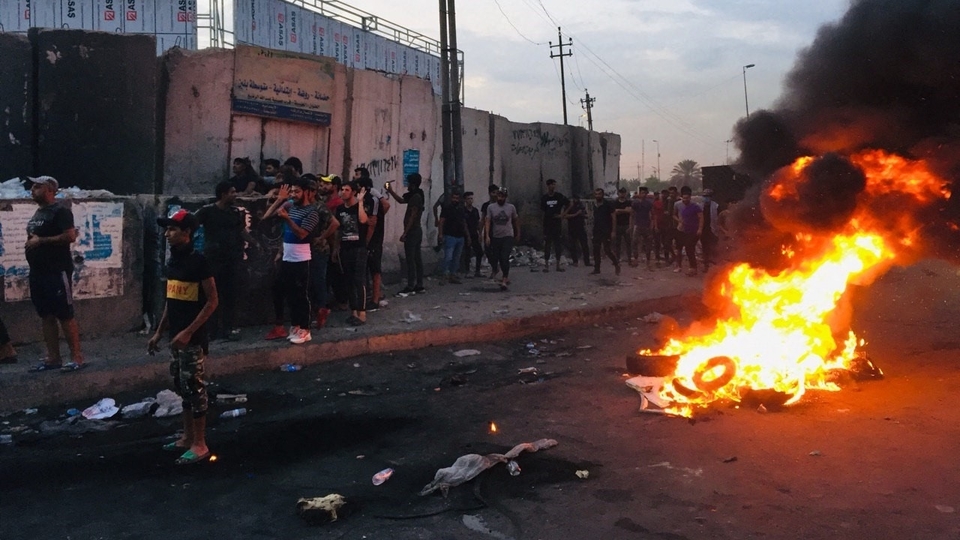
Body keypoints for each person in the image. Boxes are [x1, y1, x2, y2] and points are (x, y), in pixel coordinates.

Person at [148, 209, 218, 465]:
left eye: (173, 230)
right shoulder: (173, 262)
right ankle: (187, 437)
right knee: (183, 387)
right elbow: (172, 300)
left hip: (193, 339)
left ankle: (200, 444)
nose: (168, 234)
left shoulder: (199, 262)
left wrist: (188, 332)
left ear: (187, 233)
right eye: (167, 229)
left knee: (195, 389)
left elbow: (212, 302)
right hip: (177, 338)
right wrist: (159, 332)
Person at [24, 176, 86, 372]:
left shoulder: (61, 211)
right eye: (32, 186)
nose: (32, 189)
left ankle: (77, 358)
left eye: (37, 186)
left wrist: (41, 241)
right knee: (46, 315)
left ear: (50, 190)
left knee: (64, 314)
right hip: (38, 272)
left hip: (56, 271)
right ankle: (53, 358)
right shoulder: (39, 213)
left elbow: (69, 236)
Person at [195, 181, 256, 340]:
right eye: (232, 192)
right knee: (212, 296)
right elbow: (191, 226)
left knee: (230, 296)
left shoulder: (235, 212)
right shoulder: (207, 212)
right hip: (214, 260)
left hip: (232, 260)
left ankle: (227, 329)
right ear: (223, 194)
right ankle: (211, 330)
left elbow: (241, 231)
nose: (235, 195)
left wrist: (255, 243)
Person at [262, 179, 320, 344]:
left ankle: (305, 328)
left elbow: (302, 234)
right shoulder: (289, 205)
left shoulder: (312, 212)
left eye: (297, 192)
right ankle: (294, 325)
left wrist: (287, 219)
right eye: (292, 192)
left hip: (301, 258)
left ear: (307, 192)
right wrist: (280, 200)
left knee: (301, 295)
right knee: (282, 291)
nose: (294, 195)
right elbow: (267, 216)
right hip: (287, 257)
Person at [334, 181, 372, 325]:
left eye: (347, 190)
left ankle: (362, 313)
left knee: (359, 279)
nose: (343, 192)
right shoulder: (339, 209)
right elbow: (338, 229)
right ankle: (353, 311)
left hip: (359, 248)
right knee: (348, 280)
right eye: (342, 189)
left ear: (353, 192)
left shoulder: (360, 207)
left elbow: (363, 220)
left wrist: (360, 202)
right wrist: (336, 247)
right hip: (345, 247)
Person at [304, 177, 339, 329]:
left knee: (318, 281)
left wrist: (322, 237)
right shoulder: (302, 207)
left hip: (318, 249)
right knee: (308, 282)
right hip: (305, 248)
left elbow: (335, 224)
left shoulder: (319, 207)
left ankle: (321, 311)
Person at [354, 168, 390, 308]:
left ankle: (375, 298)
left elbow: (373, 222)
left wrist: (378, 218)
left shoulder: (372, 197)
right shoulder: (361, 200)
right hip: (366, 238)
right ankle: (370, 296)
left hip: (372, 240)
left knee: (374, 269)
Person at [385, 173, 426, 295]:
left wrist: (405, 232)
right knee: (416, 258)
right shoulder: (416, 195)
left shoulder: (415, 197)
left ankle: (411, 285)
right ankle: (419, 284)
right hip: (416, 231)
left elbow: (412, 216)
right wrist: (390, 191)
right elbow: (401, 200)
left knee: (411, 259)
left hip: (413, 231)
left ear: (412, 184)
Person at [484, 187, 520, 291]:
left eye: (502, 196)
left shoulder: (511, 207)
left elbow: (516, 220)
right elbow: (488, 221)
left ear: (505, 197)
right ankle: (501, 273)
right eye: (499, 196)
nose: (500, 198)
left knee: (504, 257)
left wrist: (518, 233)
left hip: (508, 235)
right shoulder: (491, 207)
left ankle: (504, 278)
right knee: (496, 257)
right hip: (496, 236)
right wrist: (487, 235)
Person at [438, 189, 469, 284]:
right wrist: (440, 234)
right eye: (454, 198)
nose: (455, 200)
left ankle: (453, 275)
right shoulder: (447, 208)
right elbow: (442, 221)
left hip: (460, 236)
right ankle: (445, 275)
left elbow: (464, 223)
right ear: (451, 198)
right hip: (450, 236)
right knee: (448, 257)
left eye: (457, 198)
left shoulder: (461, 209)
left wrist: (467, 236)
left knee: (456, 257)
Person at [540, 178, 570, 273]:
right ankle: (546, 266)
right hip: (548, 223)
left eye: (554, 184)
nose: (553, 186)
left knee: (557, 244)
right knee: (547, 244)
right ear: (548, 186)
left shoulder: (559, 196)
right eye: (551, 185)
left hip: (557, 223)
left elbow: (569, 204)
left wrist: (563, 214)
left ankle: (558, 265)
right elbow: (542, 210)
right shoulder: (544, 198)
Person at [673, 186, 703, 276]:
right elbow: (674, 215)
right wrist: (680, 221)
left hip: (693, 231)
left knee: (689, 248)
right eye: (683, 198)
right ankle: (688, 267)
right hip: (684, 231)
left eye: (687, 198)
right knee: (685, 249)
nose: (685, 199)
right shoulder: (680, 206)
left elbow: (701, 218)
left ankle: (693, 268)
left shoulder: (695, 207)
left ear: (690, 197)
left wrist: (700, 229)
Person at [590, 188, 620, 276]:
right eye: (596, 194)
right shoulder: (595, 205)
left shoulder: (608, 204)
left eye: (599, 194)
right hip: (597, 230)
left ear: (602, 195)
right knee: (596, 249)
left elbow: (614, 217)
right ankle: (597, 268)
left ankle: (616, 264)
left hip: (606, 230)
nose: (597, 196)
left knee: (607, 250)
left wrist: (613, 231)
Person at [480, 184, 501, 279]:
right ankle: (494, 267)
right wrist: (480, 232)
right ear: (489, 193)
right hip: (489, 231)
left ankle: (496, 270)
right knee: (488, 251)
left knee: (497, 251)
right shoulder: (486, 206)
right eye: (493, 193)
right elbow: (482, 219)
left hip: (500, 231)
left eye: (497, 192)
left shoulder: (501, 204)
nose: (495, 195)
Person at [630, 187, 655, 270]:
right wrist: (631, 226)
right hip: (637, 224)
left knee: (648, 243)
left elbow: (652, 215)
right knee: (634, 242)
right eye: (642, 193)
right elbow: (632, 215)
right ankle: (635, 259)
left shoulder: (649, 203)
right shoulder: (635, 203)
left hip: (646, 225)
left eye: (645, 193)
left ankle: (648, 261)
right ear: (639, 194)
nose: (643, 195)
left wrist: (652, 225)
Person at [565, 193, 591, 267]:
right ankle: (575, 261)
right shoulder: (569, 206)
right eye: (575, 199)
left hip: (581, 228)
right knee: (573, 246)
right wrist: (576, 214)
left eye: (577, 199)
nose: (576, 200)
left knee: (584, 245)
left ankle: (587, 262)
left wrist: (582, 214)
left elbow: (586, 215)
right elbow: (565, 215)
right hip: (572, 228)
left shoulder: (581, 206)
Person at [462, 191, 484, 277]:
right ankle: (467, 271)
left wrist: (480, 234)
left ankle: (477, 271)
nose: (470, 200)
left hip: (474, 233)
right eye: (468, 199)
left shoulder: (475, 210)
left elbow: (478, 223)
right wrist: (468, 236)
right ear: (465, 200)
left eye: (471, 198)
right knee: (467, 253)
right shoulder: (463, 211)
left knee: (479, 252)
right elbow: (464, 224)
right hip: (466, 234)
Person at [699, 189, 720, 272]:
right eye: (704, 196)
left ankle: (716, 267)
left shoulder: (716, 206)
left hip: (713, 230)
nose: (706, 198)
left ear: (711, 197)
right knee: (704, 248)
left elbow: (719, 218)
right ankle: (706, 265)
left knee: (714, 248)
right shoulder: (700, 206)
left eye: (707, 196)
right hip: (703, 230)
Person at [612, 187, 633, 266]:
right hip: (617, 225)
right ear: (618, 193)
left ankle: (629, 260)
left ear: (625, 193)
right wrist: (624, 210)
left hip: (626, 225)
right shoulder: (615, 202)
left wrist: (619, 210)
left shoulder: (628, 202)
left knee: (628, 243)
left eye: (623, 192)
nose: (622, 194)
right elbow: (614, 212)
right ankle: (617, 260)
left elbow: (630, 211)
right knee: (617, 244)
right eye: (621, 192)